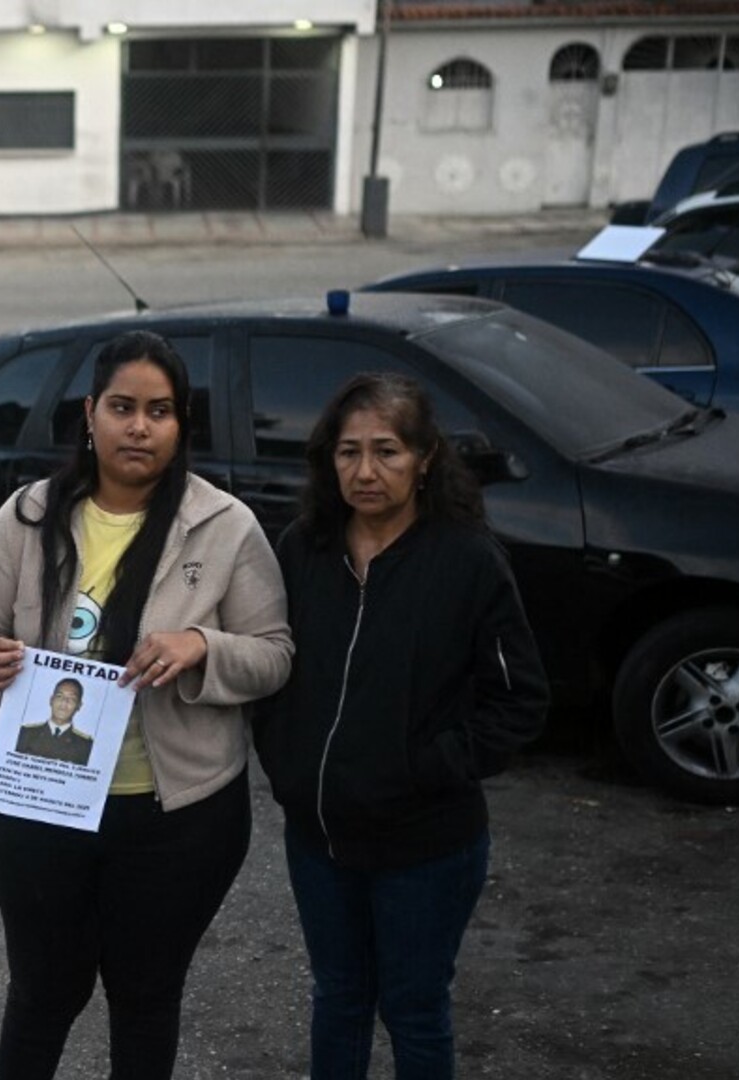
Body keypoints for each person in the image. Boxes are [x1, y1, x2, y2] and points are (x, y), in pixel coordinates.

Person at [0, 330, 293, 1080]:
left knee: (145, 997)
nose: (140, 427)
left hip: (177, 818)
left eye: (159, 411)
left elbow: (274, 653)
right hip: (45, 801)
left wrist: (203, 646)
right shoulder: (28, 515)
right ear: (90, 414)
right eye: (122, 407)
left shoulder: (226, 525)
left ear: (181, 424)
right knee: (41, 994)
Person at [252, 372, 548, 1080]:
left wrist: (427, 768)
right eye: (348, 452)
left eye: (386, 451)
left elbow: (520, 700)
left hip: (425, 846)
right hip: (320, 838)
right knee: (339, 998)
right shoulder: (304, 548)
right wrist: (287, 756)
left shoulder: (467, 559)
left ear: (424, 458)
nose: (365, 471)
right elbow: (268, 658)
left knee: (414, 1009)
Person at [14, 678, 93, 765]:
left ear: (79, 705)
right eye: (59, 696)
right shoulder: (25, 734)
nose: (64, 702)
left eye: (71, 699)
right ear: (51, 700)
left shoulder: (85, 745)